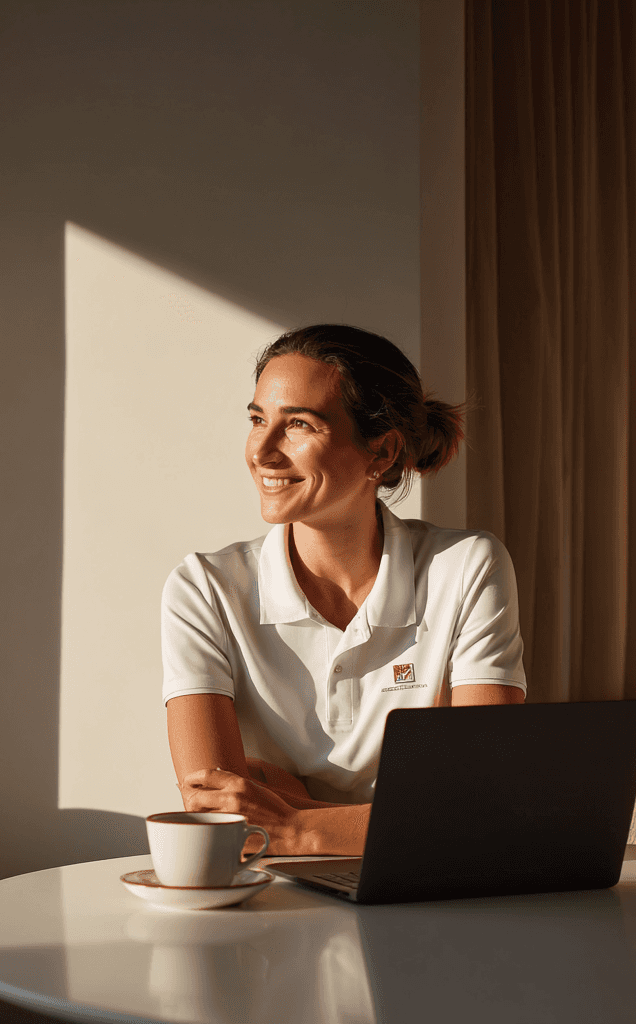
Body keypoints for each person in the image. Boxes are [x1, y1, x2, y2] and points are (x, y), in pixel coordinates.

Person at [162, 324, 526, 857]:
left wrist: (293, 823)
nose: (261, 451)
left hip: (434, 894)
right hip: (267, 900)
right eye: (258, 419)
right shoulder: (204, 588)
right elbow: (215, 815)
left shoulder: (467, 567)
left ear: (381, 452)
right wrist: (418, 817)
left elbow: (482, 805)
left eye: (299, 425)